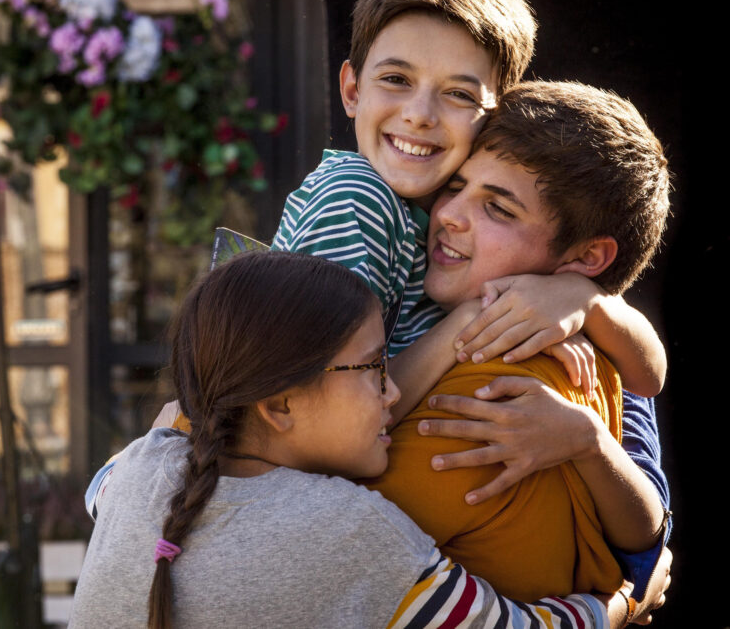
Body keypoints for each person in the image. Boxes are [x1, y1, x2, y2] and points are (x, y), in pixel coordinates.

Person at [70, 251, 668, 628]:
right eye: (374, 368)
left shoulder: (146, 465)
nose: (393, 392)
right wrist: (624, 601)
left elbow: (102, 489)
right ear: (278, 405)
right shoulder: (350, 530)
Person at [272, 0, 665, 412]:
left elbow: (649, 378)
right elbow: (324, 411)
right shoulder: (355, 199)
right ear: (353, 90)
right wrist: (469, 322)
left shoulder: (441, 214)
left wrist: (586, 300)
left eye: (458, 94)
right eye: (396, 79)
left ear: (494, 115)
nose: (419, 115)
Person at [366, 80, 671, 600]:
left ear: (586, 259)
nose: (448, 214)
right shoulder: (404, 265)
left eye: (499, 209)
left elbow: (325, 557)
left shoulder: (513, 381)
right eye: (455, 185)